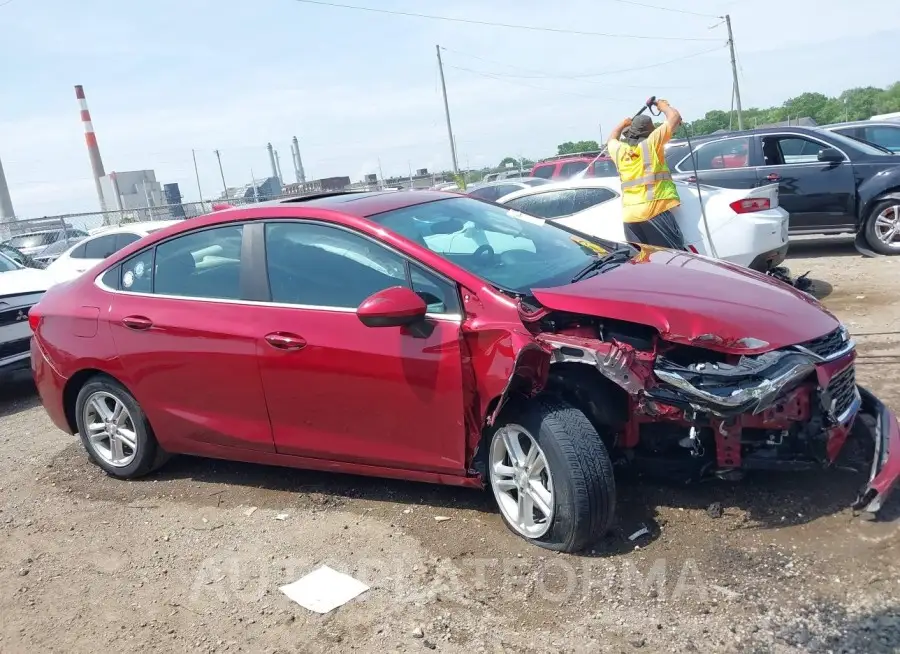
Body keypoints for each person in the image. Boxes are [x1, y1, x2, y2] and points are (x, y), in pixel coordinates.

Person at [607, 99, 686, 250]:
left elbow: (611, 139)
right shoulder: (651, 144)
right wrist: (663, 106)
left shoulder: (619, 150)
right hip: (653, 211)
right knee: (671, 259)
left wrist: (622, 124)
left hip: (630, 217)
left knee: (643, 263)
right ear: (650, 132)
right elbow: (674, 117)